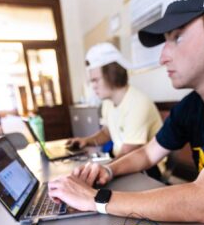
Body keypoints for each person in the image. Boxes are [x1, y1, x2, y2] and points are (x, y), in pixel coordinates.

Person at [49, 0, 204, 223]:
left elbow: (203, 201)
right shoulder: (192, 106)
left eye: (177, 37)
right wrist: (107, 170)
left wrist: (95, 199)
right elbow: (148, 153)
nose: (163, 57)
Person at [67, 42, 165, 179]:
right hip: (122, 160)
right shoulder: (108, 103)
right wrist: (86, 141)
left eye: (95, 80)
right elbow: (107, 133)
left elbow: (130, 152)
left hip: (147, 170)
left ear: (111, 74)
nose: (93, 86)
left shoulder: (138, 103)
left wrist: (101, 170)